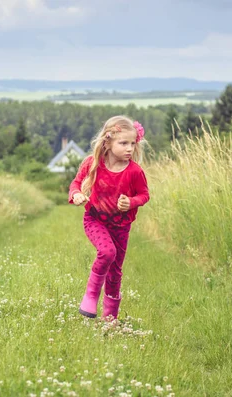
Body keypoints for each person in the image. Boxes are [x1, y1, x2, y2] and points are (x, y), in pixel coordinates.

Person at [68, 115, 150, 321]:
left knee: (115, 272)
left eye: (133, 143)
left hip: (121, 226)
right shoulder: (92, 163)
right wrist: (76, 195)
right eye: (123, 143)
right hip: (95, 219)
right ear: (108, 141)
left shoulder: (134, 172)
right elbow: (76, 184)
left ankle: (110, 319)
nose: (129, 148)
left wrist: (131, 202)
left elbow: (144, 195)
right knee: (107, 252)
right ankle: (91, 296)